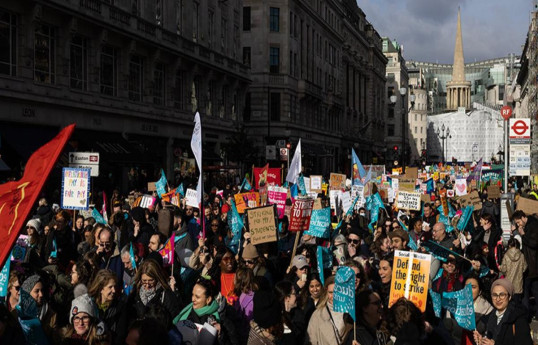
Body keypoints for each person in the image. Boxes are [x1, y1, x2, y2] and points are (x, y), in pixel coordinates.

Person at [473, 279, 532, 345]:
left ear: (509, 297)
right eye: (495, 295)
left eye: (502, 295)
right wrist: (481, 341)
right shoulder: (490, 317)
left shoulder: (518, 319)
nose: (498, 299)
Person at [129, 259, 181, 323]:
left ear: (157, 278)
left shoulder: (166, 295)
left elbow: (173, 317)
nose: (147, 285)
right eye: (144, 281)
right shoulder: (135, 293)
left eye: (151, 280)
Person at [88, 269, 128, 344]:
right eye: (110, 287)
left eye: (115, 286)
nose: (114, 290)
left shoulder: (120, 307)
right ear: (101, 289)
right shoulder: (90, 305)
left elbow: (120, 335)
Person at [307, 276, 348, 345]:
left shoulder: (351, 312)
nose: (334, 296)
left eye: (337, 292)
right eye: (331, 292)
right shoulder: (317, 315)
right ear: (326, 293)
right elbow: (311, 341)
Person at [512, 210, 538, 318]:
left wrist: (523, 235)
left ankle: (526, 314)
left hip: (532, 265)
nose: (518, 225)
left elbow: (534, 243)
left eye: (518, 222)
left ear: (523, 217)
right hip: (530, 265)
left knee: (527, 291)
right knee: (534, 290)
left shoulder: (533, 225)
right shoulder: (528, 225)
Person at [274, 280, 307, 345]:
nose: (296, 296)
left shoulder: (297, 313)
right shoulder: (280, 320)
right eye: (294, 294)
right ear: (287, 298)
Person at [233, 267, 258, 341]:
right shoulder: (241, 294)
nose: (233, 279)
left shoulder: (252, 301)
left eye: (235, 277)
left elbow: (249, 324)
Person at [499, 237, 527, 302]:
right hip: (518, 284)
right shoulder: (522, 255)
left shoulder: (506, 255)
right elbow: (524, 268)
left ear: (509, 245)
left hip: (508, 284)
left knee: (509, 304)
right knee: (517, 304)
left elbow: (503, 269)